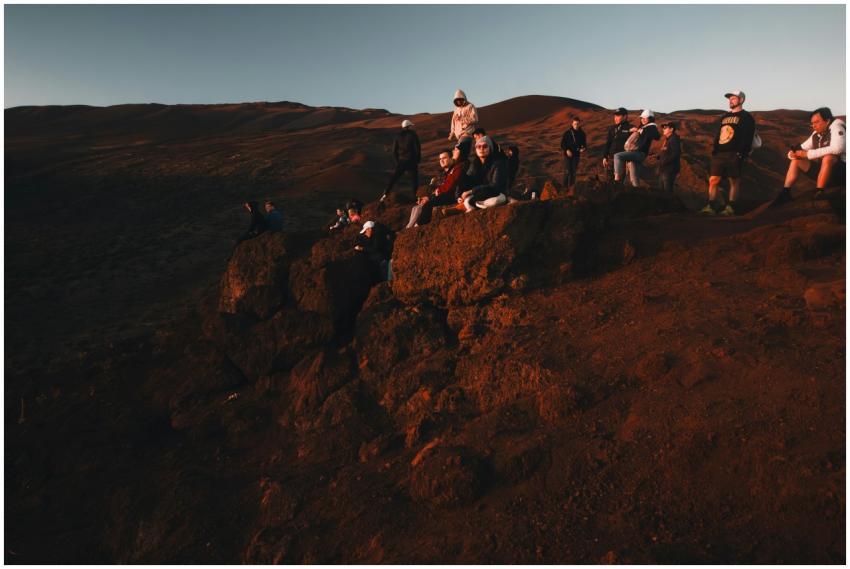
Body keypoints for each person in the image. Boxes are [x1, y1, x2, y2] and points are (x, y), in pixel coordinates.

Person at [700, 90, 756, 216]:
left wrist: (741, 153)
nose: (730, 100)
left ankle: (731, 207)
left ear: (741, 100)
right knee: (713, 179)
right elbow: (719, 133)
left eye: (733, 98)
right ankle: (711, 205)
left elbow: (748, 136)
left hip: (735, 153)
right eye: (729, 99)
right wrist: (715, 149)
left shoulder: (747, 117)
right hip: (720, 153)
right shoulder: (724, 117)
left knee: (734, 180)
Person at [774, 107, 846, 205]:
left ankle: (819, 191)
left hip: (843, 172)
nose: (813, 126)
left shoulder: (837, 127)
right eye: (812, 123)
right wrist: (793, 154)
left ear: (827, 121)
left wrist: (808, 154)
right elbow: (802, 147)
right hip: (827, 173)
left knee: (829, 157)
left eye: (817, 122)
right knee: (797, 160)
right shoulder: (816, 134)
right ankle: (786, 192)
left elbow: (838, 149)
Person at [407, 141, 470, 228]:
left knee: (428, 204)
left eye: (444, 158)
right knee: (416, 208)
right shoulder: (445, 172)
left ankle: (418, 227)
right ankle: (409, 227)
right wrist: (429, 196)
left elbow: (448, 186)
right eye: (440, 159)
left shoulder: (457, 168)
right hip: (446, 194)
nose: (441, 161)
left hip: (453, 195)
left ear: (451, 158)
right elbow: (440, 187)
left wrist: (430, 197)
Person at [460, 135, 508, 211]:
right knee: (468, 200)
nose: (481, 149)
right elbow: (466, 181)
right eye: (478, 146)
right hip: (481, 193)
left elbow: (495, 186)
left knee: (493, 201)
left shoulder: (498, 164)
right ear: (475, 149)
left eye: (485, 146)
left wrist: (471, 191)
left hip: (496, 193)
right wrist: (459, 196)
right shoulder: (475, 164)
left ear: (490, 149)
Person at [613, 109, 660, 187]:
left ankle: (617, 178)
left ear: (650, 118)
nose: (643, 120)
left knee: (617, 156)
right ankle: (637, 192)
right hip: (637, 154)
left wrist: (643, 131)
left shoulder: (651, 127)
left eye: (645, 118)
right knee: (634, 178)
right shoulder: (644, 127)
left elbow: (657, 136)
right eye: (642, 118)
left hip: (639, 154)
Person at [381, 119, 421, 201]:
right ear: (409, 126)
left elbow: (394, 151)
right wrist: (417, 160)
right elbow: (417, 148)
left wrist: (397, 162)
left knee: (394, 178)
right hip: (412, 161)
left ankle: (385, 194)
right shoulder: (413, 135)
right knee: (414, 180)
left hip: (401, 161)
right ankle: (416, 197)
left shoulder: (397, 136)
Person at [602, 108, 632, 181]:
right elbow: (608, 143)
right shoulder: (612, 128)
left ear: (625, 116)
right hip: (611, 159)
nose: (615, 118)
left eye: (618, 116)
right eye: (615, 116)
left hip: (622, 160)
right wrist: (605, 156)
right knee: (607, 181)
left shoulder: (630, 128)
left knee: (619, 182)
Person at [560, 117, 587, 189]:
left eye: (577, 124)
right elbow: (562, 144)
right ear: (572, 124)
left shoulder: (582, 134)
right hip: (567, 155)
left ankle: (571, 189)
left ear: (579, 124)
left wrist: (583, 149)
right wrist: (567, 150)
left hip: (576, 155)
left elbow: (584, 144)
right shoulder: (567, 133)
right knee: (567, 171)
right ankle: (564, 188)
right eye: (575, 124)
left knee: (573, 173)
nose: (576, 125)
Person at [656, 122, 682, 192]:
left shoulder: (674, 139)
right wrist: (659, 156)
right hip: (664, 168)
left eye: (665, 128)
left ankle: (668, 202)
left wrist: (665, 161)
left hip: (669, 169)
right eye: (663, 128)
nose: (663, 130)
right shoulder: (668, 139)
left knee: (667, 191)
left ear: (671, 129)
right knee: (661, 190)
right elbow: (667, 151)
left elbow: (676, 153)